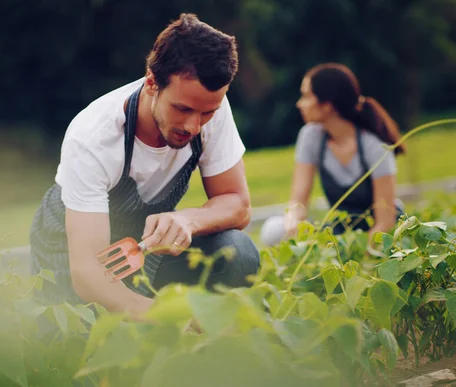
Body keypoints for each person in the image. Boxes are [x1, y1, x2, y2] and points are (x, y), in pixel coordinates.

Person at [29, 13, 260, 318]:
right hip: (73, 253)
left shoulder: (208, 105)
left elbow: (238, 204)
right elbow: (88, 275)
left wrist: (190, 220)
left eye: (206, 113)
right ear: (152, 81)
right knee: (82, 350)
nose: (193, 125)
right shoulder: (92, 137)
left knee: (238, 253)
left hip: (144, 247)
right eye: (182, 109)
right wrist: (165, 319)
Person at [260, 63, 406, 247]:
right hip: (342, 232)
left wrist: (355, 258)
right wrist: (293, 223)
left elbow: (385, 222)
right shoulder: (311, 136)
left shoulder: (374, 147)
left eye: (306, 96)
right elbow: (298, 201)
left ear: (326, 106)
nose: (299, 104)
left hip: (380, 236)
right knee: (273, 230)